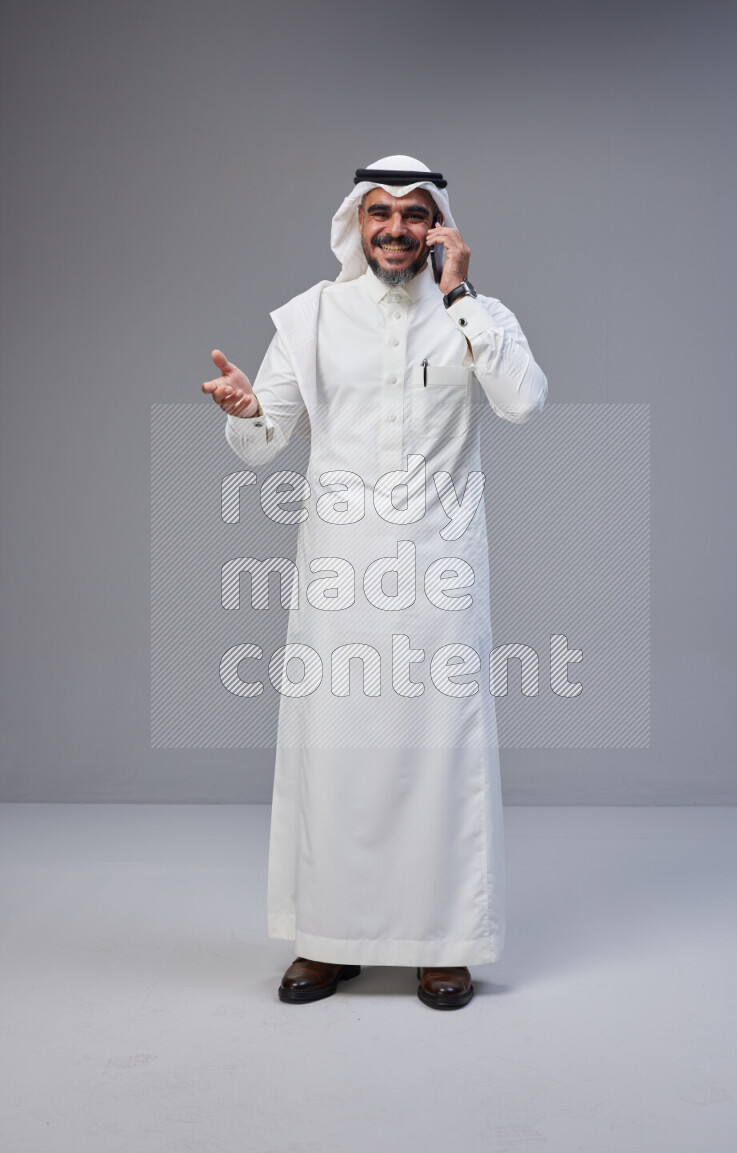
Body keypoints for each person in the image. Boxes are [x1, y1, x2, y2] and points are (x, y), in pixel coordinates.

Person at [202, 155, 547, 1010]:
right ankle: (329, 939)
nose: (396, 228)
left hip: (438, 570)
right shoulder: (313, 316)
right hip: (340, 573)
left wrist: (462, 297)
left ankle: (445, 944)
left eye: (415, 213)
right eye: (380, 212)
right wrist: (249, 412)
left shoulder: (475, 317)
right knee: (338, 758)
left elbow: (525, 400)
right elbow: (268, 434)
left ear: (440, 226)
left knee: (441, 755)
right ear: (357, 223)